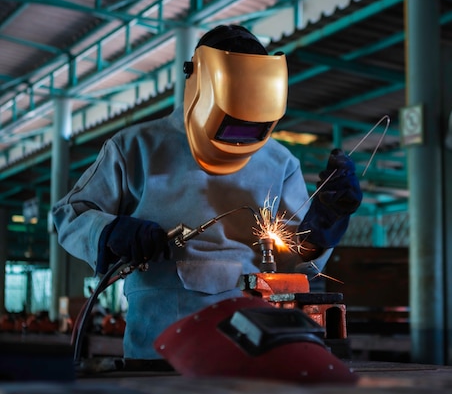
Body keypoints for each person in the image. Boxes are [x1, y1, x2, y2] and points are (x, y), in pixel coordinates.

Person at [52, 24, 362, 360]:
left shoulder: (279, 162)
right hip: (157, 352)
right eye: (230, 122)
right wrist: (107, 231)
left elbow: (292, 266)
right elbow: (68, 215)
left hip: (251, 349)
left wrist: (319, 231)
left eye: (253, 128)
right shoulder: (136, 148)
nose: (239, 140)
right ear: (199, 87)